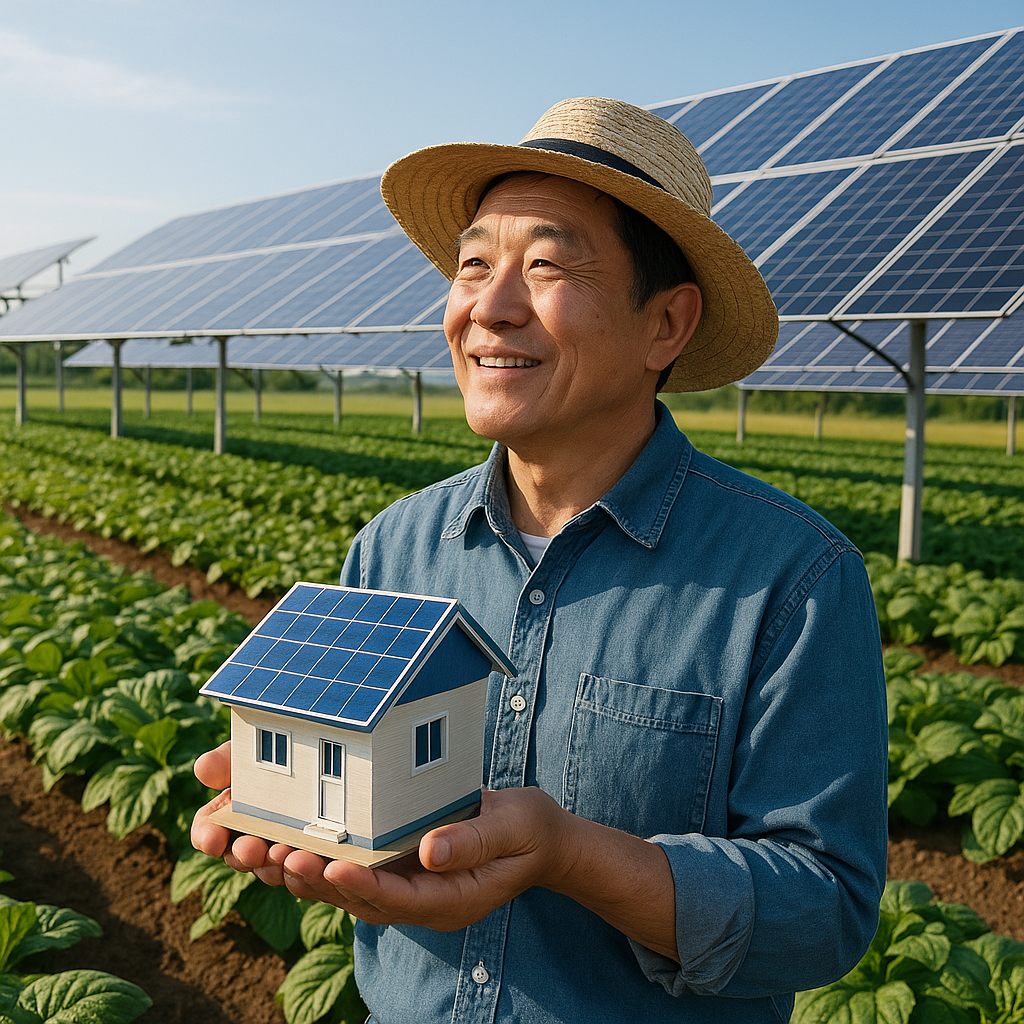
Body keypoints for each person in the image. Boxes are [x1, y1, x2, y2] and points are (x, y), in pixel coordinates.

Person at [192, 96, 888, 1023]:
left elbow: (826, 913)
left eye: (547, 266)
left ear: (666, 324)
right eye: (474, 264)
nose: (490, 307)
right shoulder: (393, 546)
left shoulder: (792, 578)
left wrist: (572, 856)